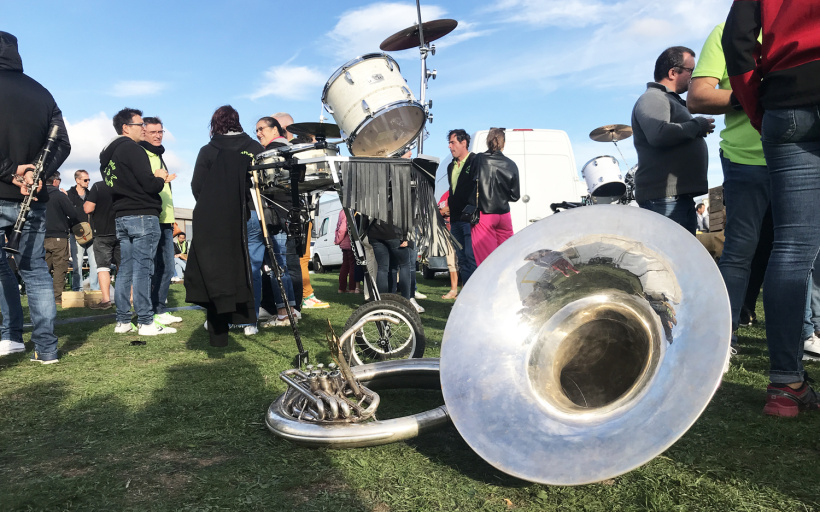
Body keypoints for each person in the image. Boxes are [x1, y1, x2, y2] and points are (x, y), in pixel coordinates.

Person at [724, 0, 820, 416]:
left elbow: (737, 39)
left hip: (787, 97)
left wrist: (758, 105)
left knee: (792, 246)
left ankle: (785, 385)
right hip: (788, 96)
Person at [687, 21, 775, 354]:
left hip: (802, 155)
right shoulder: (731, 29)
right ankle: (724, 339)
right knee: (739, 251)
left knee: (801, 253)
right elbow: (698, 97)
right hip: (746, 159)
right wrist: (759, 95)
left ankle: (798, 343)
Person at [0, 31, 71, 363]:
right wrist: (38, 173)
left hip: (5, 188)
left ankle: (10, 336)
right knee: (35, 271)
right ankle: (46, 349)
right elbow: (62, 143)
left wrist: (11, 170)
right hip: (33, 196)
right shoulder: (42, 92)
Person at [185, 105, 263, 347]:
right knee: (251, 266)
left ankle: (219, 324)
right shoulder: (253, 148)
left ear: (215, 124)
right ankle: (250, 321)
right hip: (250, 213)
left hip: (217, 218)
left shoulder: (208, 150)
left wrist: (215, 206)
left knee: (217, 270)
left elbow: (197, 186)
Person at [100, 107, 174, 336]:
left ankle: (123, 321)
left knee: (125, 270)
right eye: (139, 125)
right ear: (125, 128)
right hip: (142, 213)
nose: (143, 129)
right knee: (143, 269)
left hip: (121, 215)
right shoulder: (132, 149)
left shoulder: (106, 153)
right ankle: (145, 321)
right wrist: (160, 178)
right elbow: (149, 184)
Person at [631, 46, 715, 235]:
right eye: (691, 71)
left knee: (681, 259)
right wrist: (697, 126)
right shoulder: (653, 97)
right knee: (668, 261)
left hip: (674, 197)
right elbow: (658, 133)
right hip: (664, 198)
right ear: (672, 72)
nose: (694, 77)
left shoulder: (669, 100)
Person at [254, 116, 301, 327]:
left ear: (275, 130)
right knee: (282, 265)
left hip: (277, 216)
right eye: (256, 130)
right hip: (290, 215)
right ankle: (290, 310)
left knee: (276, 267)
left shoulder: (271, 153)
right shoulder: (291, 151)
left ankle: (284, 314)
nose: (258, 133)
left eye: (261, 128)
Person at [141, 116, 181, 326]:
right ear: (143, 132)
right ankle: (149, 310)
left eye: (161, 132)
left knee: (166, 265)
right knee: (152, 266)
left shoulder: (158, 154)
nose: (158, 136)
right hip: (151, 217)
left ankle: (159, 308)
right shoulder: (142, 154)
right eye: (153, 131)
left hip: (166, 218)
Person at [471, 128, 520, 266]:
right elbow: (515, 196)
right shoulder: (511, 164)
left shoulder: (479, 159)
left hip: (485, 214)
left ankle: (487, 287)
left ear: (487, 141)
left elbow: (470, 182)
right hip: (504, 214)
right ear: (503, 143)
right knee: (507, 259)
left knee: (486, 263)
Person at [446, 129, 478, 284]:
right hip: (455, 219)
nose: (449, 146)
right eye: (449, 143)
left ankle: (477, 293)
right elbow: (453, 192)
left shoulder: (475, 161)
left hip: (469, 218)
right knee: (462, 259)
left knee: (472, 258)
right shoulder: (450, 166)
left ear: (463, 143)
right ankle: (466, 295)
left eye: (453, 142)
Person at [44, 172, 80, 302]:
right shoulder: (59, 195)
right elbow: (73, 213)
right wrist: (66, 198)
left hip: (41, 236)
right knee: (60, 267)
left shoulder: (37, 194)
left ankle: (43, 295)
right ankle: (57, 296)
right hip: (58, 236)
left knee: (43, 267)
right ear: (55, 181)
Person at [84, 180, 119, 310]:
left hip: (102, 232)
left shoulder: (98, 186)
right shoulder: (124, 183)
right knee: (124, 266)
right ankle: (130, 297)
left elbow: (88, 208)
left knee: (103, 268)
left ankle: (106, 300)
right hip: (121, 230)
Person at [66, 169, 98, 291]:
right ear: (77, 180)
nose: (88, 182)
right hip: (76, 234)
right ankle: (77, 289)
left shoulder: (91, 195)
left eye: (89, 179)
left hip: (91, 234)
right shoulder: (69, 195)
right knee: (77, 264)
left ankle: (94, 289)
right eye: (85, 179)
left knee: (94, 264)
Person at [437, 190, 459, 300]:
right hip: (448, 231)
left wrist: (451, 209)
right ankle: (453, 289)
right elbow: (439, 211)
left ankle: (465, 289)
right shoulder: (445, 194)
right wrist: (442, 212)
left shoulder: (463, 189)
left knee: (466, 261)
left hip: (463, 230)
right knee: (451, 261)